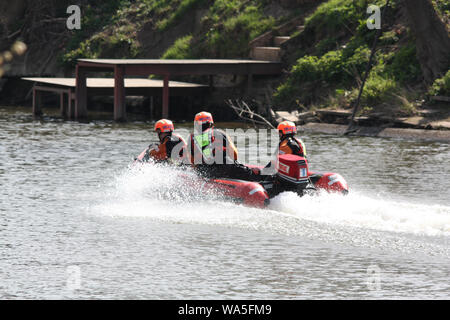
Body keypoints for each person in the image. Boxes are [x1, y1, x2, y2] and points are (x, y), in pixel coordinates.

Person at [186, 111, 261, 181]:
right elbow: (234, 154)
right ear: (211, 124)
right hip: (226, 169)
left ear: (196, 125)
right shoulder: (220, 133)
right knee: (253, 174)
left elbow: (193, 163)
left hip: (206, 173)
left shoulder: (191, 138)